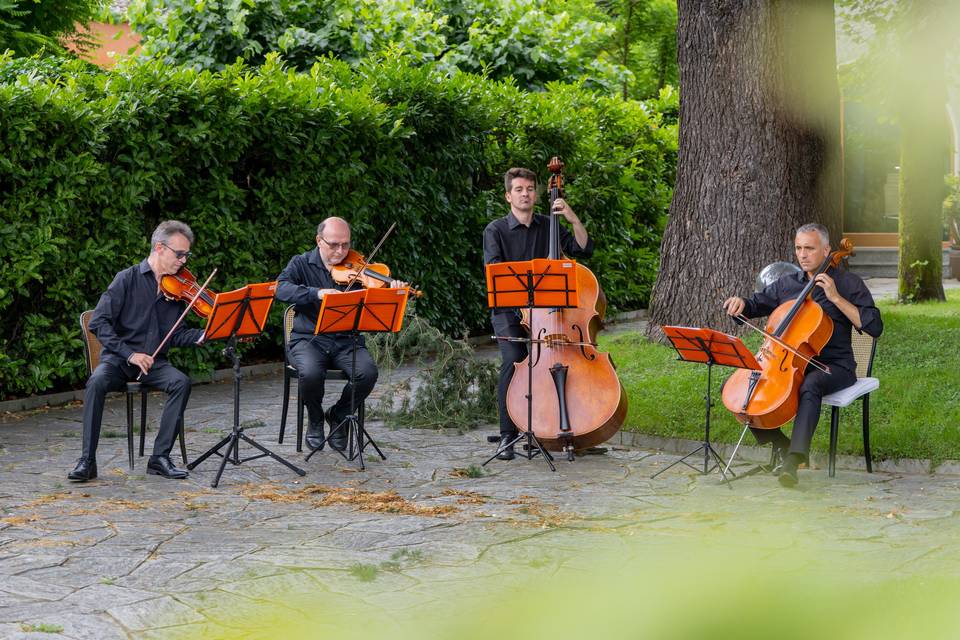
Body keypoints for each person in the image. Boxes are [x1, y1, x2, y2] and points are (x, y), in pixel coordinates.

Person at [722, 223, 883, 487]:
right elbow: (756, 304)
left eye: (809, 248)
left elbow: (874, 326)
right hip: (788, 363)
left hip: (835, 366)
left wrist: (836, 298)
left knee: (812, 384)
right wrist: (742, 305)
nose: (803, 254)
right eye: (799, 248)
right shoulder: (787, 284)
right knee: (742, 390)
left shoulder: (848, 284)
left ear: (827, 250)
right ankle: (781, 444)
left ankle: (794, 461)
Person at [69, 220, 205, 482]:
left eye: (187, 254)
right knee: (96, 382)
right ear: (159, 248)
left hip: (154, 363)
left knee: (181, 382)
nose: (184, 261)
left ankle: (159, 458)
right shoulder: (126, 279)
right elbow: (98, 323)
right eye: (180, 254)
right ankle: (87, 460)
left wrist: (204, 335)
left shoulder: (177, 290)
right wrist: (129, 354)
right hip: (119, 361)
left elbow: (175, 335)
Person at [482, 167, 594, 460]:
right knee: (514, 360)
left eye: (530, 189)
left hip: (547, 314)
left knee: (551, 364)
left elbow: (583, 248)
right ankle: (507, 435)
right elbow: (496, 272)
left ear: (537, 193)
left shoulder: (549, 225)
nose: (525, 194)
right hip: (508, 312)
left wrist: (572, 217)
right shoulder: (495, 230)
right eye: (518, 189)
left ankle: (543, 431)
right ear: (508, 195)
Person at [276, 217, 404, 451]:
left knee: (367, 373)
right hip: (308, 340)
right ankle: (315, 420)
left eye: (345, 244)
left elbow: (375, 300)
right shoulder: (301, 263)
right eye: (334, 244)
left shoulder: (357, 267)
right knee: (311, 373)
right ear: (319, 240)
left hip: (347, 340)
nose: (341, 251)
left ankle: (339, 415)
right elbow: (280, 288)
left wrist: (392, 290)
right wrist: (316, 294)